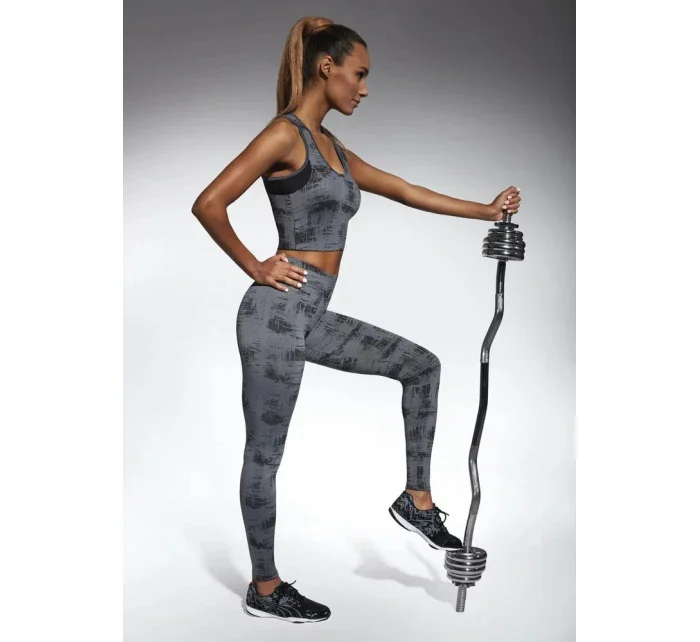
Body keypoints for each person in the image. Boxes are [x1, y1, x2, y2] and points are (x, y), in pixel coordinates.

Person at [191, 16, 521, 624]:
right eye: (359, 74)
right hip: (274, 316)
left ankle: (416, 500)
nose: (364, 88)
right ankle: (265, 587)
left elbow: (404, 189)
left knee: (421, 367)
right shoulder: (285, 135)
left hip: (312, 312)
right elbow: (209, 203)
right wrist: (257, 266)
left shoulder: (335, 150)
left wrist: (485, 210)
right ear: (327, 68)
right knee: (265, 454)